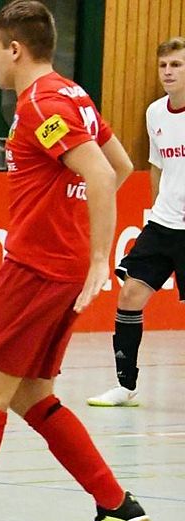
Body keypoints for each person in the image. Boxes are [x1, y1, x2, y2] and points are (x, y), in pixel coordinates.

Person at [0, 2, 149, 521]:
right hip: (59, 266)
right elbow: (121, 166)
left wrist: (99, 256)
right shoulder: (73, 94)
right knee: (31, 394)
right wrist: (75, 228)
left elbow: (100, 173)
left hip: (36, 267)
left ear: (15, 50)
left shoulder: (41, 103)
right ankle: (116, 505)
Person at [88, 36, 185, 408]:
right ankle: (125, 385)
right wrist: (158, 206)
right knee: (129, 295)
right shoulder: (155, 113)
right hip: (163, 224)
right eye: (163, 65)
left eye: (176, 65)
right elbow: (157, 165)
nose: (168, 72)